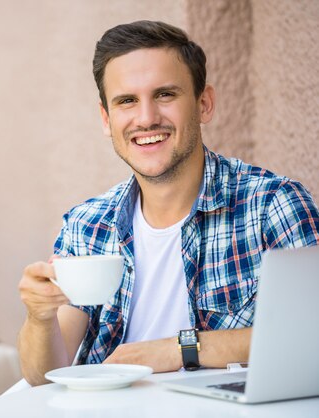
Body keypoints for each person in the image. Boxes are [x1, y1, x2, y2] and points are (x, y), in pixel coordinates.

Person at [17, 20, 319, 386]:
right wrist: (40, 317)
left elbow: (311, 335)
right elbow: (42, 377)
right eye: (127, 101)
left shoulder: (272, 205)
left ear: (204, 104)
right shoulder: (87, 224)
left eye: (165, 95)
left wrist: (180, 348)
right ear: (106, 118)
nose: (146, 119)